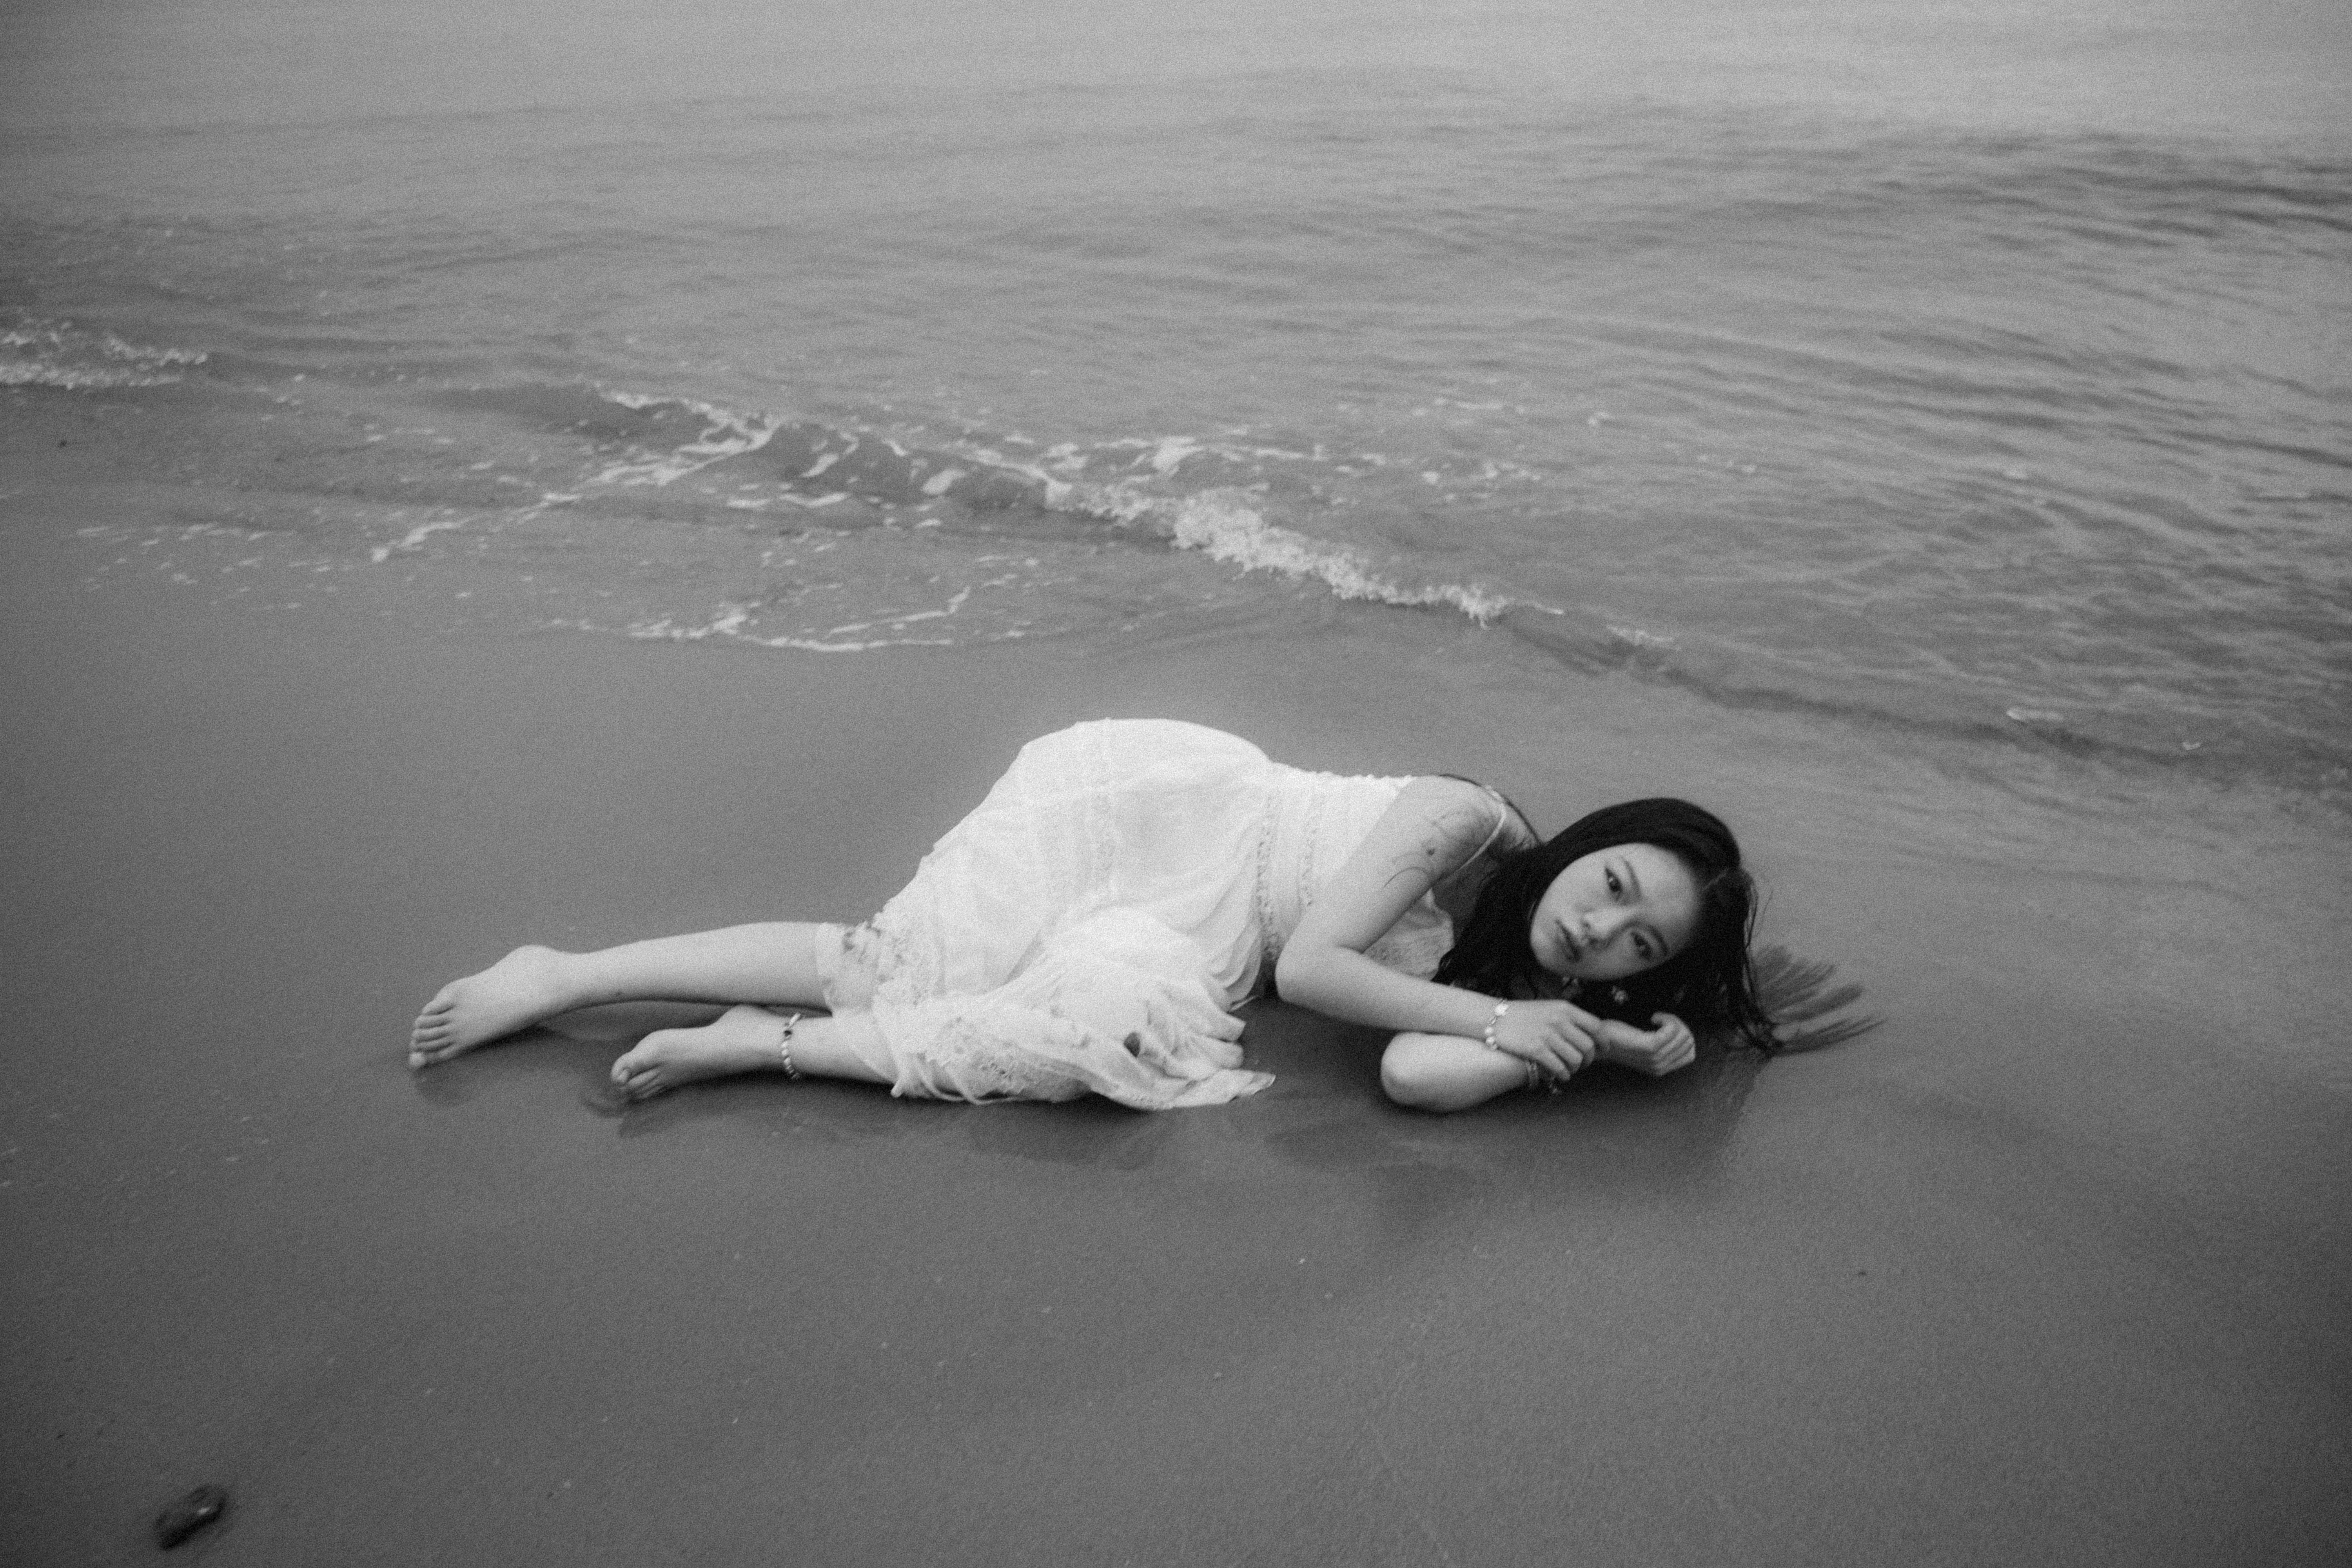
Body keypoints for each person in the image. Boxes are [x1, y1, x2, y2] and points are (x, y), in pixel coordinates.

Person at [410, 719, 1784, 1114]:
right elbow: (1314, 972)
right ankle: (566, 973)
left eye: (1640, 950)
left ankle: (749, 1045)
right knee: (889, 968)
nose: (1602, 937)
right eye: (1613, 890)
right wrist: (1516, 1016)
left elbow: (1423, 1072)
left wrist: (1594, 1042)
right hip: (1164, 814)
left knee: (1102, 1037)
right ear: (1588, 846)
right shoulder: (1465, 817)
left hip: (1206, 946)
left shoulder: (1523, 985)